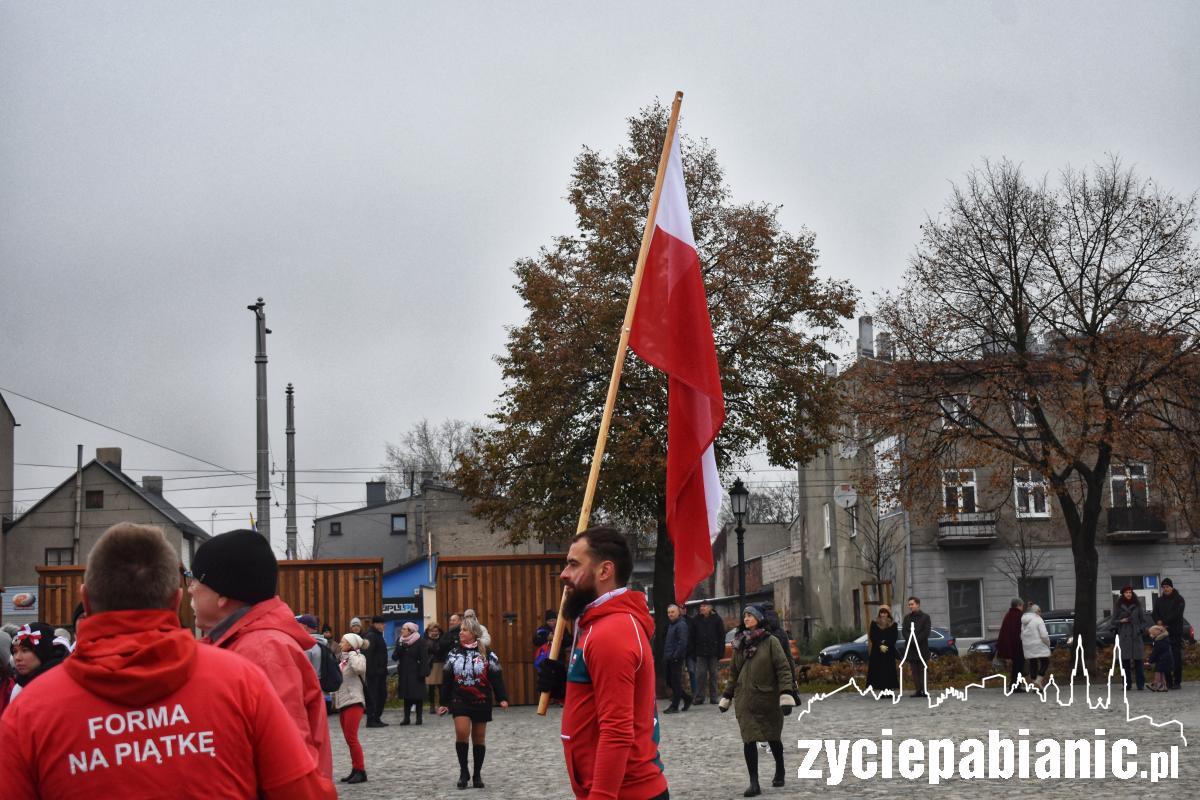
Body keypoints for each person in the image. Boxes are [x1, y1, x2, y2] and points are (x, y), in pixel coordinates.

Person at [0, 521, 335, 799]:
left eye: (196, 583)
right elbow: (300, 789)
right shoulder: (240, 681)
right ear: (174, 601)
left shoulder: (28, 712)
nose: (190, 591)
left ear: (85, 601)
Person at [536, 526, 669, 800]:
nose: (564, 574)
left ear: (604, 571)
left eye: (573, 564)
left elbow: (618, 731)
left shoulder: (611, 632)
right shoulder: (596, 625)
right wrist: (566, 687)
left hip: (625, 792)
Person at [189, 528, 333, 777]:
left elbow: (288, 764)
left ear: (223, 594)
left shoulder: (263, 652)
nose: (190, 589)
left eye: (195, 580)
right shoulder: (246, 642)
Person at [719, 605, 796, 796]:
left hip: (767, 698)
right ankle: (754, 782)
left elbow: (783, 668)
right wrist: (727, 695)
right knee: (749, 739)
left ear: (759, 618)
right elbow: (734, 673)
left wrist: (786, 693)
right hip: (744, 699)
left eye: (750, 615)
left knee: (773, 737)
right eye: (744, 615)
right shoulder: (739, 643)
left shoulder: (771, 642)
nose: (746, 618)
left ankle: (780, 769)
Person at [439, 614, 508, 789]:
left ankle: (477, 774)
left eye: (464, 630)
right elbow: (447, 678)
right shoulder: (453, 653)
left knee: (479, 738)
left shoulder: (487, 652)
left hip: (481, 699)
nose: (460, 632)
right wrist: (443, 702)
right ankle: (464, 772)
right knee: (461, 732)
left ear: (474, 633)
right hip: (459, 698)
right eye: (460, 629)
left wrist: (502, 698)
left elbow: (496, 676)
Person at [332, 632, 369, 784]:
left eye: (343, 642)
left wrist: (353, 653)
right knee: (348, 739)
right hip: (343, 702)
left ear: (351, 644)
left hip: (354, 701)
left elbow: (359, 669)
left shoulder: (359, 657)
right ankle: (355, 769)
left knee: (352, 738)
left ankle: (361, 770)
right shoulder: (343, 660)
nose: (340, 644)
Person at [7, 622, 69, 703]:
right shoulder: (19, 687)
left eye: (25, 650)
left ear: (43, 651)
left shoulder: (63, 685)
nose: (17, 658)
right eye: (14, 652)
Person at [533, 609, 573, 704]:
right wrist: (546, 638)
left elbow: (569, 640)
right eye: (549, 620)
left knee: (560, 679)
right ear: (546, 621)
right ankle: (544, 700)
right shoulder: (542, 630)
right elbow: (535, 641)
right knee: (545, 679)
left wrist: (560, 637)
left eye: (553, 620)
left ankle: (560, 699)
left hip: (559, 658)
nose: (552, 622)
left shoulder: (562, 628)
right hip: (546, 659)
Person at [392, 621, 429, 725]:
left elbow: (424, 658)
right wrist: (400, 648)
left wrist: (424, 672)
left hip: (416, 672)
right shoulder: (400, 641)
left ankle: (419, 717)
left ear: (411, 631)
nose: (402, 630)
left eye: (404, 629)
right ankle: (406, 718)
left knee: (417, 696)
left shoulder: (420, 641)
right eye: (402, 628)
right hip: (404, 672)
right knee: (406, 696)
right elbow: (394, 657)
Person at [1114, 586, 1149, 691]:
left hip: (1136, 636)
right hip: (1124, 636)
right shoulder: (1118, 606)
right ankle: (1126, 684)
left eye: (1130, 592)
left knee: (1139, 661)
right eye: (1126, 592)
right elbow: (1113, 622)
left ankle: (1140, 684)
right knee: (1125, 662)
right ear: (1123, 594)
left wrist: (1140, 630)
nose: (1128, 594)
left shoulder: (1137, 606)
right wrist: (1121, 621)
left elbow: (1143, 621)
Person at [1153, 578, 1185, 690]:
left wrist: (1165, 622)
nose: (1166, 589)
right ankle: (1169, 682)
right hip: (1162, 633)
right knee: (1165, 658)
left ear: (1172, 587)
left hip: (1175, 632)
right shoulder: (1159, 601)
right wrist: (1158, 622)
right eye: (1164, 587)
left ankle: (1177, 681)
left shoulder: (1179, 599)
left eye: (1168, 587)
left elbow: (1177, 614)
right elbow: (1154, 613)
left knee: (1176, 657)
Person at [692, 601, 726, 705]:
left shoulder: (717, 619)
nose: (702, 608)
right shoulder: (696, 620)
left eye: (704, 606)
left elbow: (722, 636)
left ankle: (714, 697)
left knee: (714, 675)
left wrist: (721, 652)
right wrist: (693, 652)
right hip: (700, 652)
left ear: (710, 608)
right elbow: (692, 637)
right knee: (700, 675)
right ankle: (699, 697)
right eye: (701, 606)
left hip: (713, 652)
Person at [663, 603, 692, 713]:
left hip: (676, 658)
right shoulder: (671, 624)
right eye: (669, 612)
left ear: (678, 612)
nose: (670, 614)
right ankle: (687, 698)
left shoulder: (681, 625)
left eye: (672, 612)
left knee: (675, 682)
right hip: (669, 657)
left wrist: (675, 656)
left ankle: (675, 705)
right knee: (670, 681)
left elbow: (682, 643)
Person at [901, 596, 931, 698]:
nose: (910, 606)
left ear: (917, 604)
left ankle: (924, 690)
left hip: (922, 648)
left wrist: (916, 640)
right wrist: (911, 640)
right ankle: (918, 690)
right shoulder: (907, 618)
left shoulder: (925, 617)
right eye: (909, 604)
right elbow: (904, 631)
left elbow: (926, 631)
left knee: (923, 670)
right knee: (914, 671)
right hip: (911, 648)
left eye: (912, 604)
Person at [866, 605, 900, 695]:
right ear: (879, 613)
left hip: (889, 651)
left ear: (888, 614)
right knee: (879, 671)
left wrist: (886, 644)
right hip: (877, 651)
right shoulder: (874, 623)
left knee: (889, 671)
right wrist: (880, 645)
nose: (883, 615)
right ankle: (882, 690)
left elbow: (894, 637)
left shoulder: (893, 624)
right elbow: (872, 636)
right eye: (881, 612)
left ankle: (889, 690)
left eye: (885, 613)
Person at [363, 615, 390, 727]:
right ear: (376, 624)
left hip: (380, 672)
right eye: (382, 624)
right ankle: (371, 719)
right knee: (373, 696)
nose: (384, 626)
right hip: (374, 673)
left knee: (381, 695)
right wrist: (372, 670)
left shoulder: (378, 635)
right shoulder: (371, 636)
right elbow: (368, 655)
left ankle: (377, 717)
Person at [995, 598, 1025, 694]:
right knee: (1019, 666)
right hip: (1018, 645)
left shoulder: (1008, 615)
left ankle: (1013, 685)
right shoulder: (1019, 616)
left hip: (1010, 645)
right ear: (1019, 605)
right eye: (1022, 606)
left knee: (1015, 666)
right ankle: (1016, 686)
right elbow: (1021, 631)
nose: (1022, 607)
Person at [1020, 603, 1051, 691]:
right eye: (1039, 611)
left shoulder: (1023, 621)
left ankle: (1035, 685)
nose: (1040, 613)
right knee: (1045, 662)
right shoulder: (1038, 619)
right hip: (1039, 645)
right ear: (1036, 611)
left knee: (1033, 663)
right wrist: (1047, 643)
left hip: (1028, 645)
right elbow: (1044, 635)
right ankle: (1038, 680)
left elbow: (1021, 634)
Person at [425, 623, 447, 713]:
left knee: (441, 686)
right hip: (431, 664)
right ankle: (432, 706)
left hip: (441, 663)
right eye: (432, 631)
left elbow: (441, 650)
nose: (434, 632)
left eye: (436, 630)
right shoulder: (425, 639)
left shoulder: (442, 639)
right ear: (429, 631)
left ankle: (441, 705)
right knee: (431, 687)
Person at [1148, 624, 1173, 691]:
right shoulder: (1164, 639)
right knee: (1162, 672)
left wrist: (1150, 660)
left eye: (1152, 634)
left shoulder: (1159, 641)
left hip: (1162, 659)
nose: (1151, 635)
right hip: (1165, 658)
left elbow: (1156, 652)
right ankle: (1164, 686)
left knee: (1158, 671)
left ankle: (1157, 684)